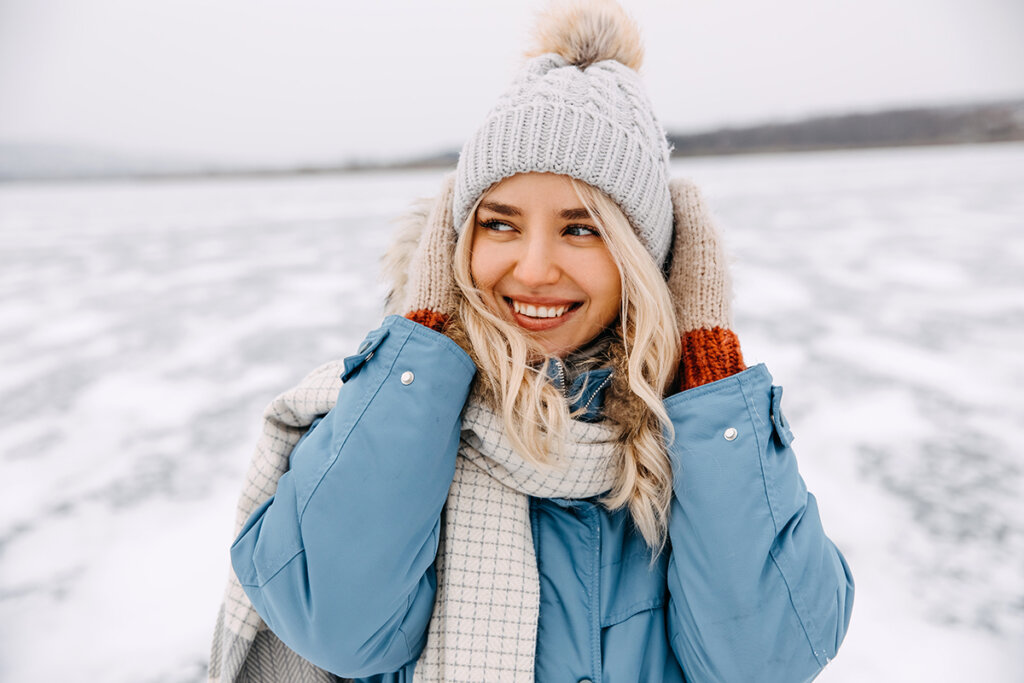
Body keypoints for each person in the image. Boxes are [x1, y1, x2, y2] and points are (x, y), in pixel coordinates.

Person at [209, 2, 854, 681]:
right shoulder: (381, 412)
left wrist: (708, 369)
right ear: (456, 244)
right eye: (500, 224)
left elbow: (765, 660)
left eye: (582, 229)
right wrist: (422, 346)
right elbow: (334, 623)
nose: (536, 268)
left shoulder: (697, 442)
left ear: (643, 257)